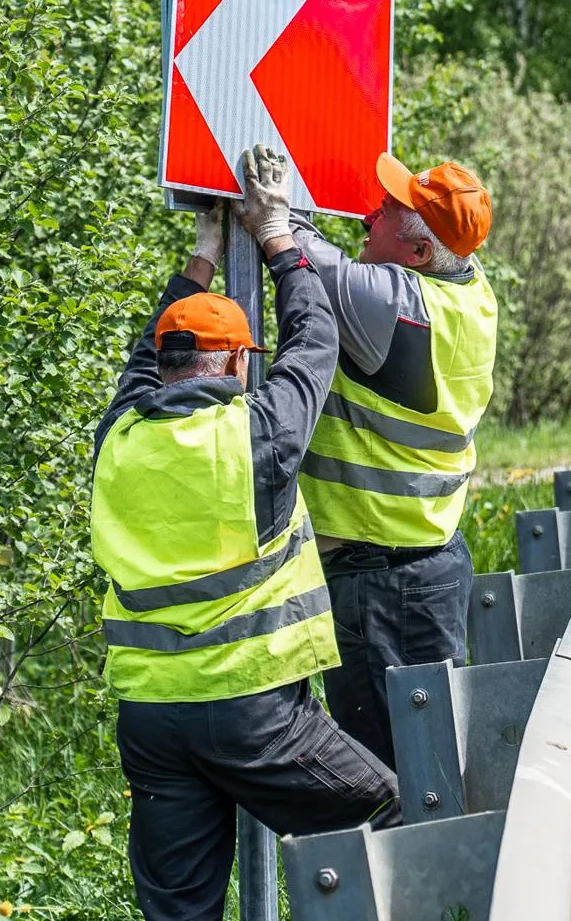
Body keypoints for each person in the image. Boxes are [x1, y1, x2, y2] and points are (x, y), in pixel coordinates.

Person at [90, 146, 400, 921]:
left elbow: (143, 355)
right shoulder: (255, 438)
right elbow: (314, 343)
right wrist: (277, 237)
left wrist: (203, 254)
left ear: (163, 363)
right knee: (385, 813)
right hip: (252, 714)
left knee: (180, 912)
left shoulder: (118, 436)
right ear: (231, 360)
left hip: (152, 721)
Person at [290, 153, 498, 768]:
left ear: (416, 256)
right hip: (418, 569)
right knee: (420, 766)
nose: (366, 216)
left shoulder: (396, 305)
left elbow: (290, 242)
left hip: (385, 586)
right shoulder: (469, 290)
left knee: (393, 778)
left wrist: (279, 202)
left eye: (384, 213)